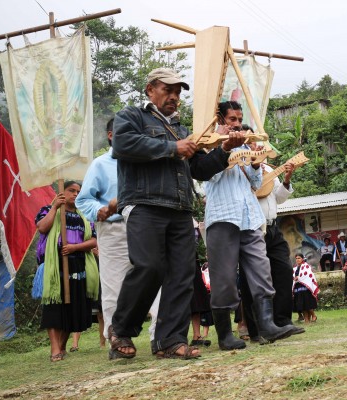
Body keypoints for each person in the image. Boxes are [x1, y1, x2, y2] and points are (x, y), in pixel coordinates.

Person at [109, 68, 242, 360]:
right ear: (150, 90)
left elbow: (200, 170)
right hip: (144, 204)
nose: (173, 97)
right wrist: (172, 147)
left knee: (182, 274)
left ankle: (170, 340)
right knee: (149, 267)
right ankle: (121, 330)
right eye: (167, 90)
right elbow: (122, 144)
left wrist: (224, 150)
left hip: (181, 208)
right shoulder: (131, 117)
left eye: (177, 92)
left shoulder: (181, 130)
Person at [204, 101, 293, 350]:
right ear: (219, 119)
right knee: (224, 278)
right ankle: (225, 335)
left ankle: (267, 326)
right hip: (223, 216)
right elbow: (206, 176)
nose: (237, 124)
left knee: (261, 269)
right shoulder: (206, 144)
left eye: (239, 119)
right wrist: (224, 149)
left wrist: (254, 163)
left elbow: (256, 183)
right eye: (232, 119)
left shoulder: (245, 143)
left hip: (250, 217)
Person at [76, 118, 160, 353]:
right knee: (114, 286)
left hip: (148, 226)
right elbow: (83, 199)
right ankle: (118, 339)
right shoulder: (100, 165)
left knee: (157, 280)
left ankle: (161, 336)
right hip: (114, 229)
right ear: (112, 136)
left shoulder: (148, 161)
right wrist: (99, 211)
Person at [240, 132, 305, 340]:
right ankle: (255, 329)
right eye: (250, 144)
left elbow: (279, 198)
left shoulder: (269, 169)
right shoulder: (238, 169)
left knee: (284, 272)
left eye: (257, 143)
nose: (256, 147)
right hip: (251, 229)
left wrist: (286, 178)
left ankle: (283, 321)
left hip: (273, 228)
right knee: (251, 280)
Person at [35, 181, 98, 362]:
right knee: (54, 307)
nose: (76, 194)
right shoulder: (48, 210)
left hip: (78, 266)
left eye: (79, 191)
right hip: (55, 267)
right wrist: (55, 207)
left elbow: (94, 241)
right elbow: (42, 228)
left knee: (74, 308)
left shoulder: (84, 215)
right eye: (72, 190)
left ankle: (62, 346)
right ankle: (55, 349)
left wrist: (75, 248)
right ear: (62, 192)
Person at [292, 253, 319, 323]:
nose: (297, 260)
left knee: (307, 303)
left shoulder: (306, 266)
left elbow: (308, 275)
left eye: (299, 258)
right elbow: (293, 276)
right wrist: (295, 278)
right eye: (296, 258)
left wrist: (299, 278)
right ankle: (306, 320)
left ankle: (313, 315)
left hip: (306, 287)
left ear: (302, 259)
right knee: (301, 304)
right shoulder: (295, 268)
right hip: (298, 287)